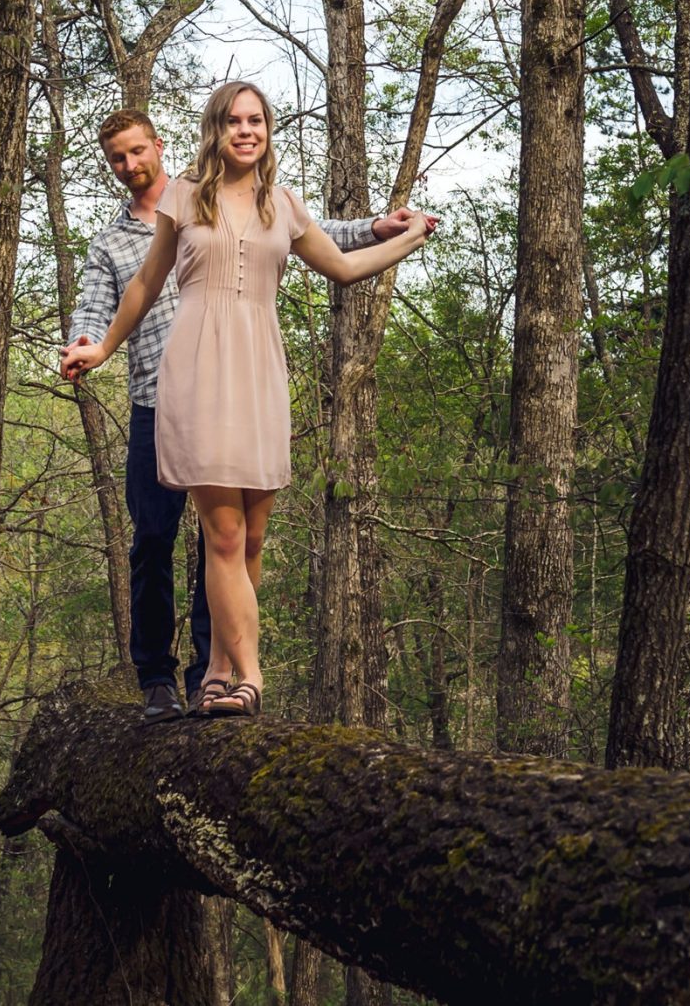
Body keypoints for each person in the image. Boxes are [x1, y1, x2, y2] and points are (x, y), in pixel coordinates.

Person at [63, 83, 433, 719]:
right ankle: (225, 677)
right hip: (187, 381)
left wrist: (407, 235)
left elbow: (339, 262)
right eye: (232, 120)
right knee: (205, 536)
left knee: (248, 540)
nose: (244, 130)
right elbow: (144, 284)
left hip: (258, 375)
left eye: (255, 120)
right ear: (214, 130)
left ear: (267, 129)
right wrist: (96, 348)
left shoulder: (282, 206)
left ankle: (218, 671)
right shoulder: (183, 199)